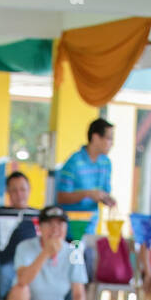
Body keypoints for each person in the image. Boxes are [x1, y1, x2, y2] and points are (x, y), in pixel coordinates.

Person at [3, 204, 91, 300]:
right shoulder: (25, 247)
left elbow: (78, 293)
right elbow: (23, 280)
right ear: (40, 227)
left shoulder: (74, 253)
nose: (55, 229)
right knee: (19, 290)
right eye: (50, 224)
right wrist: (45, 253)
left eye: (60, 224)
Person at [55, 117, 116, 280]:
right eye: (109, 138)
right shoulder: (73, 162)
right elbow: (61, 197)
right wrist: (87, 193)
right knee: (72, 274)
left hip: (90, 229)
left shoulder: (106, 163)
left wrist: (107, 199)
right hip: (70, 231)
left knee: (88, 273)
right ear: (95, 137)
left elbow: (104, 192)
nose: (111, 143)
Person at [0, 170, 38, 300]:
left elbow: (71, 240)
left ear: (29, 190)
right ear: (8, 192)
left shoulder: (39, 215)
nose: (19, 194)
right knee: (4, 276)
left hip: (38, 264)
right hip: (10, 265)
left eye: (22, 189)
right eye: (14, 190)